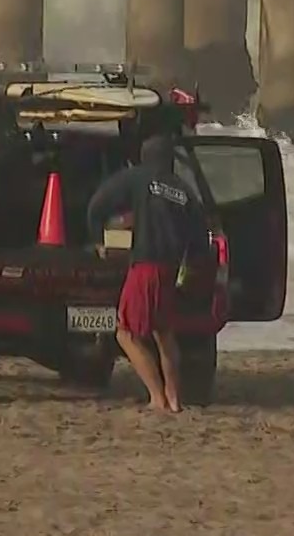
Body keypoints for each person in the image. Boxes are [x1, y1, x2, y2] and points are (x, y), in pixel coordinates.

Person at [87, 132, 207, 412]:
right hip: (170, 269)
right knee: (164, 333)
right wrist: (191, 270)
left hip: (144, 267)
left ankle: (156, 397)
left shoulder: (138, 178)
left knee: (125, 333)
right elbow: (200, 235)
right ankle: (174, 399)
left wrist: (98, 238)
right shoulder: (183, 189)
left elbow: (97, 204)